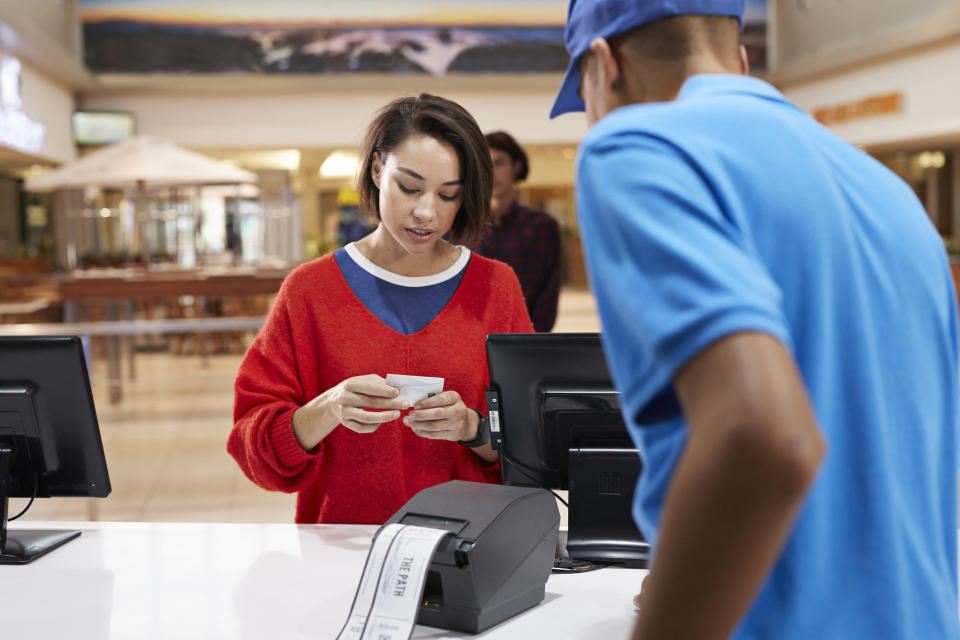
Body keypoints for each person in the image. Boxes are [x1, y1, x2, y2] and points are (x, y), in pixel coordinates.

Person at [553, 1, 960, 638]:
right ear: (739, 59)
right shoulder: (891, 196)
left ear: (605, 66)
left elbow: (765, 437)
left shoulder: (639, 147)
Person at [228, 94, 533, 524]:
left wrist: (473, 428)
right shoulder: (310, 291)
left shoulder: (495, 287)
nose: (426, 212)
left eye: (448, 195)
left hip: (468, 547)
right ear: (376, 170)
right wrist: (328, 408)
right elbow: (252, 449)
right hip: (340, 552)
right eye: (409, 187)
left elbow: (532, 447)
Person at [473, 131, 562, 332]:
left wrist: (530, 341)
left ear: (517, 166)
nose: (491, 172)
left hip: (525, 341)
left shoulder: (542, 227)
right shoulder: (461, 227)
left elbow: (548, 293)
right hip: (469, 340)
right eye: (485, 164)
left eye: (499, 163)